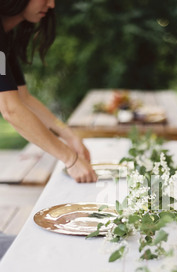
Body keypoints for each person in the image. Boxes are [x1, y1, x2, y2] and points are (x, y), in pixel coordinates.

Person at [0, 0, 97, 183]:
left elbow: (24, 99)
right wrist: (70, 158)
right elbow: (11, 110)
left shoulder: (5, 38)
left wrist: (68, 134)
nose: (51, 4)